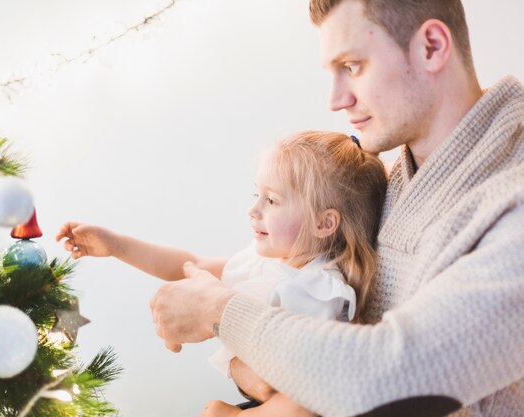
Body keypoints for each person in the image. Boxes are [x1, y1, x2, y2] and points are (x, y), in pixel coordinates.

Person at [148, 1, 524, 416]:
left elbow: (391, 379)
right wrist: (248, 370)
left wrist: (218, 312)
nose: (336, 99)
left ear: (431, 47)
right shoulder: (399, 175)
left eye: (353, 66)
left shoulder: (511, 204)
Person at [56, 131, 388, 417]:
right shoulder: (264, 262)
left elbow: (303, 380)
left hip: (298, 401)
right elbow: (189, 264)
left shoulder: (320, 289)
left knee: (299, 406)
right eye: (256, 195)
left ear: (324, 223)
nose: (253, 209)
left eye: (272, 200)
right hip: (260, 391)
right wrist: (117, 246)